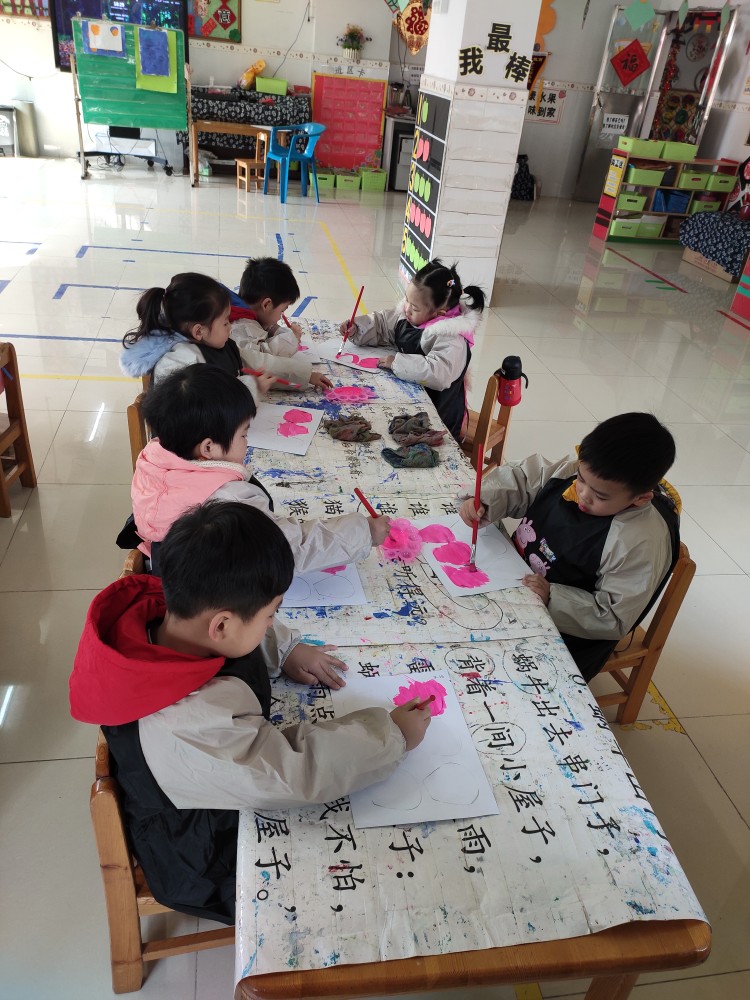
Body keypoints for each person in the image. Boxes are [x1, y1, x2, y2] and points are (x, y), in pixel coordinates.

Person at [71, 501, 431, 924]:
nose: (272, 621)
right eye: (271, 614)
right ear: (222, 626)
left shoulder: (176, 614)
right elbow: (292, 772)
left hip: (217, 777)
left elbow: (237, 628)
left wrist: (286, 648)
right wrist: (390, 736)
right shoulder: (185, 722)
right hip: (200, 852)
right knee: (366, 884)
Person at [459, 412, 680, 681]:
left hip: (567, 630)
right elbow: (523, 480)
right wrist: (484, 501)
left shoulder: (638, 543)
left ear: (640, 498)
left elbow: (613, 616)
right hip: (512, 579)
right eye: (581, 479)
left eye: (600, 496)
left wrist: (553, 597)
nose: (583, 494)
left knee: (490, 671)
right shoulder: (577, 474)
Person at [132, 365, 391, 573]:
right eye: (244, 434)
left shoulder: (154, 459)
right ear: (208, 448)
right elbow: (287, 550)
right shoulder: (231, 501)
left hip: (170, 573)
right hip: (218, 597)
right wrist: (364, 532)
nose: (247, 442)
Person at [339, 259, 485, 442]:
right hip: (408, 401)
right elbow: (384, 324)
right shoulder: (410, 314)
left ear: (439, 313)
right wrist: (357, 329)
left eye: (414, 307)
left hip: (437, 417)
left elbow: (438, 372)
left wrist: (397, 362)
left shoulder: (452, 338)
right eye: (406, 300)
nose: (406, 309)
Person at [119, 271, 327, 394]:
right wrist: (251, 388)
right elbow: (211, 408)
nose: (231, 327)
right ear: (199, 331)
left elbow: (256, 361)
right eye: (226, 321)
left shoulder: (217, 343)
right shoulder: (182, 364)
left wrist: (306, 375)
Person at [228, 257, 331, 390]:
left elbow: (261, 333)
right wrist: (306, 375)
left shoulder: (244, 314)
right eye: (282, 310)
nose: (281, 317)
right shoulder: (242, 326)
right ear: (267, 304)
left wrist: (274, 329)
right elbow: (260, 360)